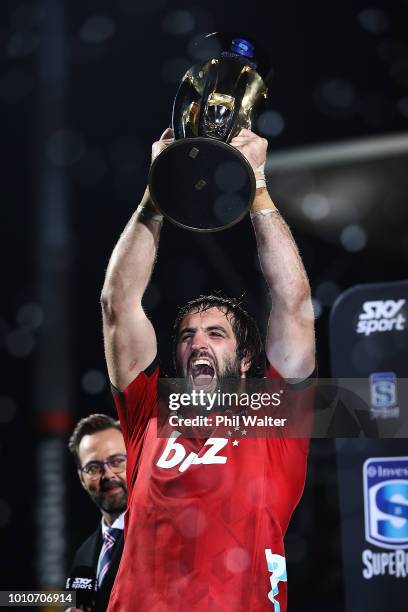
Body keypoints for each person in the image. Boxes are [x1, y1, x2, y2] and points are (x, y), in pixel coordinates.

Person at [101, 128, 315, 611]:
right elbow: (119, 304)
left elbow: (294, 302)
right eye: (187, 336)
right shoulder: (148, 416)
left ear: (245, 362)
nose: (198, 342)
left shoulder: (275, 419)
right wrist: (155, 195)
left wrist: (256, 185)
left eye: (216, 334)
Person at [65, 414, 127, 612]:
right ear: (82, 478)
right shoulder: (83, 555)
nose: (108, 474)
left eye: (117, 461)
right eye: (93, 468)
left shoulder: (165, 537)